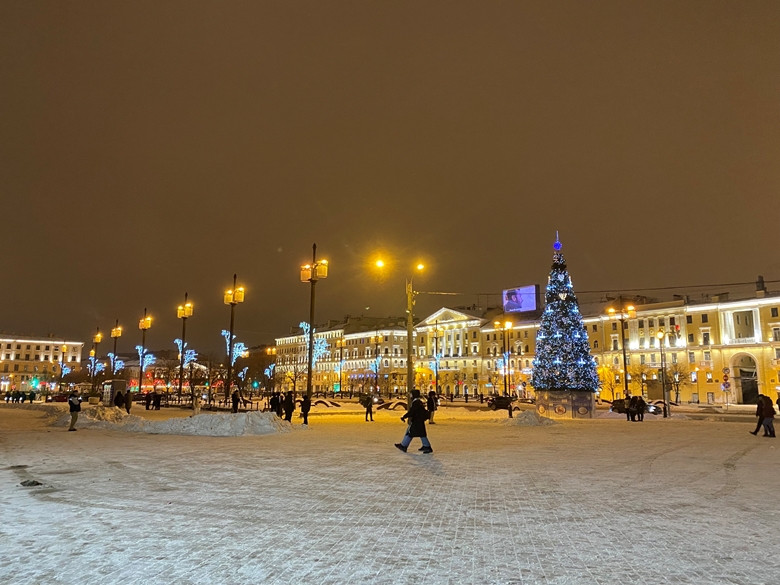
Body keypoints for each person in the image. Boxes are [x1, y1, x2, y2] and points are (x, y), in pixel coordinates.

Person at [395, 389, 433, 453]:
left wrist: (404, 416)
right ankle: (426, 446)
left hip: (416, 421)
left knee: (410, 432)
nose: (410, 396)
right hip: (419, 421)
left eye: (411, 394)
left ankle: (404, 445)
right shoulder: (418, 402)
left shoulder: (416, 403)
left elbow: (412, 412)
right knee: (419, 434)